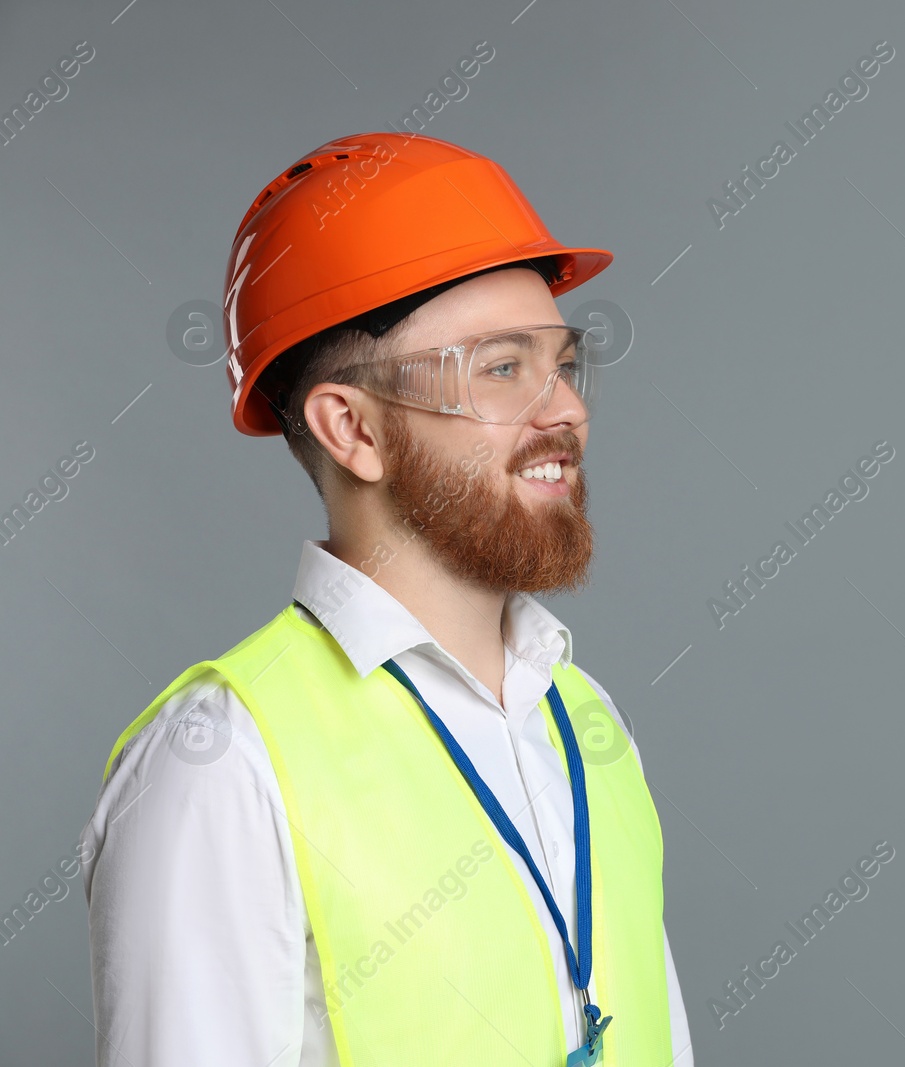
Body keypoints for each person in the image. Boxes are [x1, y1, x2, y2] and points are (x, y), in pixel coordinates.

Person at [77, 132, 691, 1066]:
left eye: (561, 362)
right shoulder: (222, 763)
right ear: (352, 429)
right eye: (500, 367)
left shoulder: (588, 721)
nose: (564, 406)